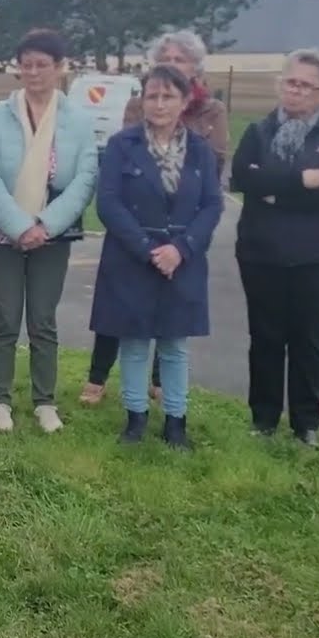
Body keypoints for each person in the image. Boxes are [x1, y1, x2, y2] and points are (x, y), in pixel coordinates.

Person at [80, 29, 230, 407]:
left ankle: (172, 409)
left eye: (170, 94)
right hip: (135, 244)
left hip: (182, 242)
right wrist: (147, 246)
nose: (160, 103)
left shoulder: (203, 135)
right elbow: (111, 197)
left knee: (173, 337)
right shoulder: (125, 139)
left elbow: (212, 198)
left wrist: (180, 247)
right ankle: (125, 404)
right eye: (154, 94)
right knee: (127, 329)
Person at [231, 48, 319, 447]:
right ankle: (264, 419)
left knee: (307, 338)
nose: (297, 91)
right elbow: (240, 179)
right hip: (261, 253)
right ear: (280, 84)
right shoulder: (258, 132)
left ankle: (306, 423)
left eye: (307, 86)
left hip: (318, 256)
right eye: (291, 82)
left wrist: (273, 189)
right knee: (266, 338)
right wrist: (301, 180)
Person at [0, 29, 97, 433]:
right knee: (5, 321)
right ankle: (0, 401)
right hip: (4, 235)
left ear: (60, 68)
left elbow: (85, 178)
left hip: (52, 236)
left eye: (42, 64)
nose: (33, 72)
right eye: (26, 64)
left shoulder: (78, 120)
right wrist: (18, 225)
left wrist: (45, 225)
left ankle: (45, 401)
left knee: (43, 321)